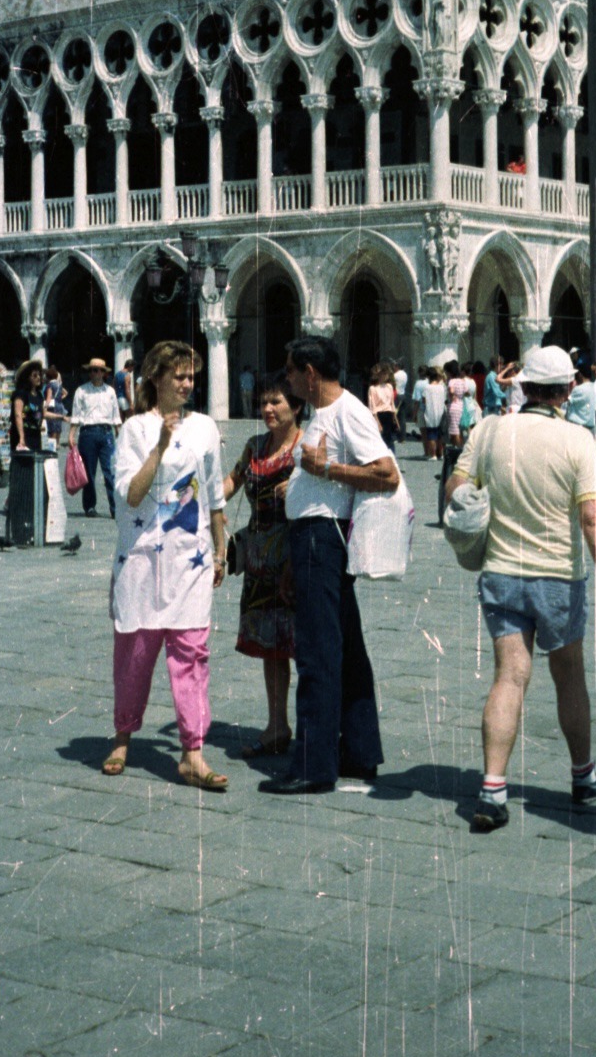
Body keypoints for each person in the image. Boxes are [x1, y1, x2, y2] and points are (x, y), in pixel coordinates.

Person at [446, 344, 596, 833]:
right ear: (568, 389)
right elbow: (592, 517)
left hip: (501, 571)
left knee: (509, 676)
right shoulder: (577, 440)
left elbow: (454, 489)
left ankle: (493, 788)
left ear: (522, 386)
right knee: (569, 677)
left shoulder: (490, 429)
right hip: (558, 578)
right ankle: (583, 776)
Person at [260, 334, 398, 795]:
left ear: (311, 374)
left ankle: (312, 764)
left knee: (317, 652)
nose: (287, 377)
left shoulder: (348, 412)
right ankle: (358, 751)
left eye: (291, 371)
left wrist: (325, 472)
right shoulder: (324, 413)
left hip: (323, 540)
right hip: (312, 539)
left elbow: (386, 472)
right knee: (346, 650)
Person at [103, 341, 228, 788]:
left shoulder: (207, 427)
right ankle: (123, 734)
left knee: (192, 652)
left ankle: (192, 751)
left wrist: (220, 546)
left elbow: (213, 492)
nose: (187, 382)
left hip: (189, 558)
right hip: (142, 559)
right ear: (155, 377)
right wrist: (158, 447)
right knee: (135, 653)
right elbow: (130, 495)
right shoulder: (135, 429)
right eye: (178, 375)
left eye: (192, 375)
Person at [223, 375, 303, 758]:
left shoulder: (306, 448)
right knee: (271, 649)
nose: (268, 409)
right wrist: (200, 493)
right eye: (264, 402)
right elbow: (231, 483)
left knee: (299, 645)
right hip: (257, 559)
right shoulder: (254, 446)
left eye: (277, 402)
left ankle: (313, 728)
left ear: (297, 406)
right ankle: (276, 725)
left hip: (293, 558)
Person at [69, 357, 122, 518]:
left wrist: (121, 435)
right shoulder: (81, 391)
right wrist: (71, 435)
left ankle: (115, 508)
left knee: (110, 471)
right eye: (92, 370)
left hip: (106, 433)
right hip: (88, 433)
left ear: (104, 373)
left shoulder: (110, 392)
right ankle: (90, 506)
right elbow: (76, 415)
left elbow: (116, 417)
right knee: (89, 472)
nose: (95, 373)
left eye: (98, 370)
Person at [10, 360, 45, 453]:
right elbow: (18, 415)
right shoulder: (21, 394)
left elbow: (42, 412)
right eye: (34, 375)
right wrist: (21, 438)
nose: (38, 378)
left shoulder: (39, 395)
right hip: (23, 435)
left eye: (39, 375)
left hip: (36, 435)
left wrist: (61, 417)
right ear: (27, 378)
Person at [367, 362, 400, 454]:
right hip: (379, 415)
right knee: (380, 439)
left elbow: (392, 403)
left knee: (390, 440)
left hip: (389, 414)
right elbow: (372, 406)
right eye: (384, 374)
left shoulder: (389, 386)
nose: (386, 376)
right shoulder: (372, 388)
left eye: (387, 374)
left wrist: (395, 419)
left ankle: (392, 459)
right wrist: (377, 422)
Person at [421, 366, 447, 460]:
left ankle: (433, 454)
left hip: (430, 412)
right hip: (441, 412)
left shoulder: (426, 388)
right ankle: (441, 453)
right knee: (440, 435)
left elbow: (424, 401)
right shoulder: (441, 387)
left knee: (431, 435)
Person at [564, 366, 596, 434]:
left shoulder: (578, 389)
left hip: (578, 427)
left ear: (580, 375)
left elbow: (565, 403)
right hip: (591, 427)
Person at [42, 366, 67, 452]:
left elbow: (49, 397)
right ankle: (58, 443)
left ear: (48, 376)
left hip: (52, 406)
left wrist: (45, 407)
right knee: (58, 425)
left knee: (52, 425)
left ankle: (52, 443)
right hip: (59, 405)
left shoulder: (50, 385)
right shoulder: (59, 384)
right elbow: (65, 393)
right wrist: (59, 399)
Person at [445, 360, 468, 446]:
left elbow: (451, 390)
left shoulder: (451, 381)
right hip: (461, 406)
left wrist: (453, 394)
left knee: (455, 431)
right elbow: (467, 392)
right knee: (460, 429)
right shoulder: (462, 381)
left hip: (453, 406)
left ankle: (457, 449)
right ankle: (461, 447)